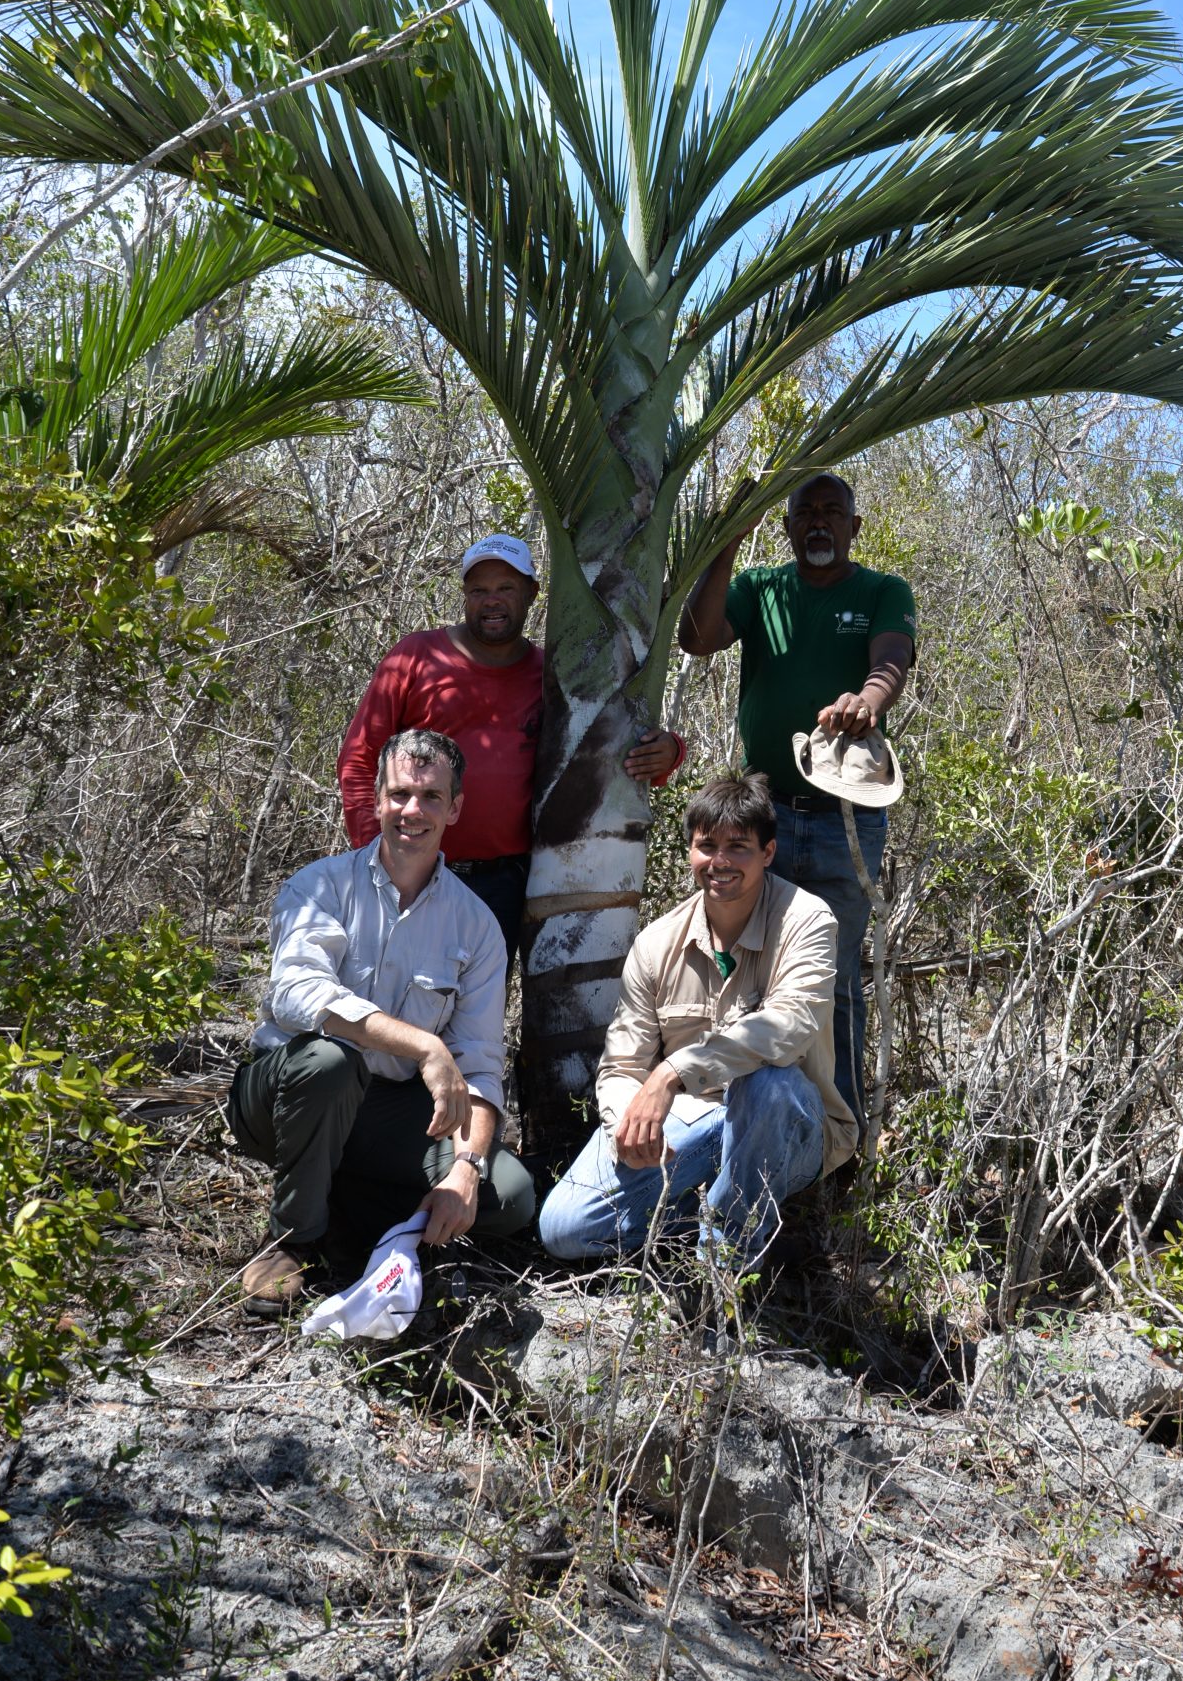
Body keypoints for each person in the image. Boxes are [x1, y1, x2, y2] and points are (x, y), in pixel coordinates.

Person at [229, 727, 536, 1318]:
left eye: (430, 797)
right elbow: (296, 995)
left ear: (456, 807)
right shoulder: (321, 885)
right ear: (376, 798)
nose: (412, 811)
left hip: (383, 1108)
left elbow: (478, 1063)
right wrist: (423, 1046)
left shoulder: (475, 925)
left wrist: (467, 1171)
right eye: (399, 794)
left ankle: (349, 1208)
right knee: (330, 1061)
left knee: (511, 1197)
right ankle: (293, 1239)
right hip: (284, 1096)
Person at [537, 771, 856, 1268]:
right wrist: (629, 1128)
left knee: (766, 1085)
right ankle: (710, 1209)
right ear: (689, 850)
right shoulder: (655, 944)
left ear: (768, 852)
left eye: (739, 847)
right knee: (565, 1228)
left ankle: (726, 1268)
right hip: (695, 1123)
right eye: (707, 846)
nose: (720, 862)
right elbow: (622, 1065)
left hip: (789, 1127)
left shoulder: (807, 920)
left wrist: (672, 1072)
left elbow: (790, 1026)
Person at [677, 474, 915, 1122]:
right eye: (803, 514)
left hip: (846, 818)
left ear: (853, 527)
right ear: (784, 527)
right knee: (745, 972)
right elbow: (696, 637)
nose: (817, 523)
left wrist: (865, 702)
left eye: (831, 513)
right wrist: (728, 541)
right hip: (763, 819)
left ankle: (836, 1131)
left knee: (832, 981)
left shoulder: (880, 591)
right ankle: (745, 1125)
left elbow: (891, 656)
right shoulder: (759, 589)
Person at [339, 533, 684, 969]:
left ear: (532, 594)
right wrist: (377, 853)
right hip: (412, 867)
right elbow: (359, 757)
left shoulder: (551, 675)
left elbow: (601, 748)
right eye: (479, 590)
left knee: (476, 1012)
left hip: (506, 883)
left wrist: (671, 751)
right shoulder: (415, 656)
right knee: (395, 996)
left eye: (506, 588)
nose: (492, 601)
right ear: (465, 595)